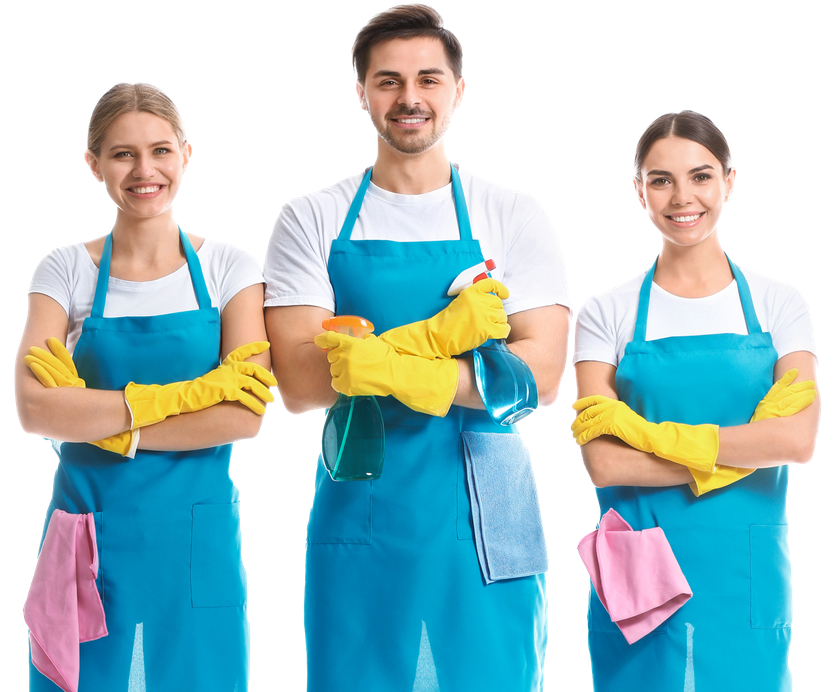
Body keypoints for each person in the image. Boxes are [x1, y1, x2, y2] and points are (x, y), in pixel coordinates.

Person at [263, 4, 571, 690]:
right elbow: (303, 383)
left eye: (428, 79)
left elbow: (541, 377)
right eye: (389, 80)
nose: (409, 98)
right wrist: (447, 350)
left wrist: (393, 369)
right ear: (360, 92)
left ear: (458, 88)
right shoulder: (309, 217)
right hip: (365, 503)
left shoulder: (512, 214)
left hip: (486, 504)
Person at [14, 81, 276, 691]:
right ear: (93, 163)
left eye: (160, 150)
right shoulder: (65, 270)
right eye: (123, 154)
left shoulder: (230, 269)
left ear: (188, 151)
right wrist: (182, 398)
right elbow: (34, 406)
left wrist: (104, 423)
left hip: (193, 534)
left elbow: (243, 415)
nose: (144, 170)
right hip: (90, 527)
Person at [570, 109, 821, 691]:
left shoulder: (780, 304)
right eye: (661, 179)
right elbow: (606, 462)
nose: (682, 196)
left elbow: (795, 439)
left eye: (701, 176)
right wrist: (740, 449)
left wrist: (649, 434)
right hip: (640, 572)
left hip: (744, 568)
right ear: (639, 190)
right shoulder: (607, 313)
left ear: (731, 179)